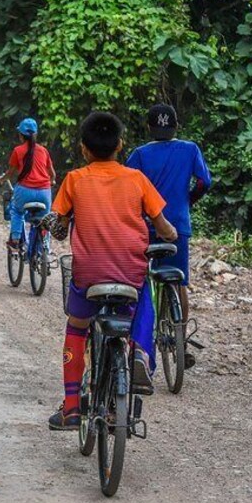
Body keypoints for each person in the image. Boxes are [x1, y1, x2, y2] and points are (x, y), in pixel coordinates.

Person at [40, 112, 177, 430]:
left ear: (84, 149)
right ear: (120, 145)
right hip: (130, 273)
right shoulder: (137, 180)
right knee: (143, 299)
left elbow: (58, 227)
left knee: (76, 327)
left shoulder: (74, 179)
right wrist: (170, 236)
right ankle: (139, 355)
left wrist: (59, 222)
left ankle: (71, 408)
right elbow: (163, 225)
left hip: (88, 275)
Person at [126, 104, 211, 368]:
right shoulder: (190, 149)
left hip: (147, 227)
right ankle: (181, 340)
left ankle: (140, 343)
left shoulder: (140, 154)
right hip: (178, 226)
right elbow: (204, 182)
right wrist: (187, 201)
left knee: (141, 282)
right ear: (176, 126)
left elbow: (126, 185)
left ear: (149, 127)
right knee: (179, 282)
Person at [0, 118, 56, 250]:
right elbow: (52, 174)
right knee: (45, 219)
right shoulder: (43, 150)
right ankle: (45, 246)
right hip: (44, 193)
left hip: (24, 191)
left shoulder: (18, 150)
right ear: (35, 134)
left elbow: (10, 172)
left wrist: (1, 179)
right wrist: (51, 181)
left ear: (21, 135)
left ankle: (15, 240)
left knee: (17, 211)